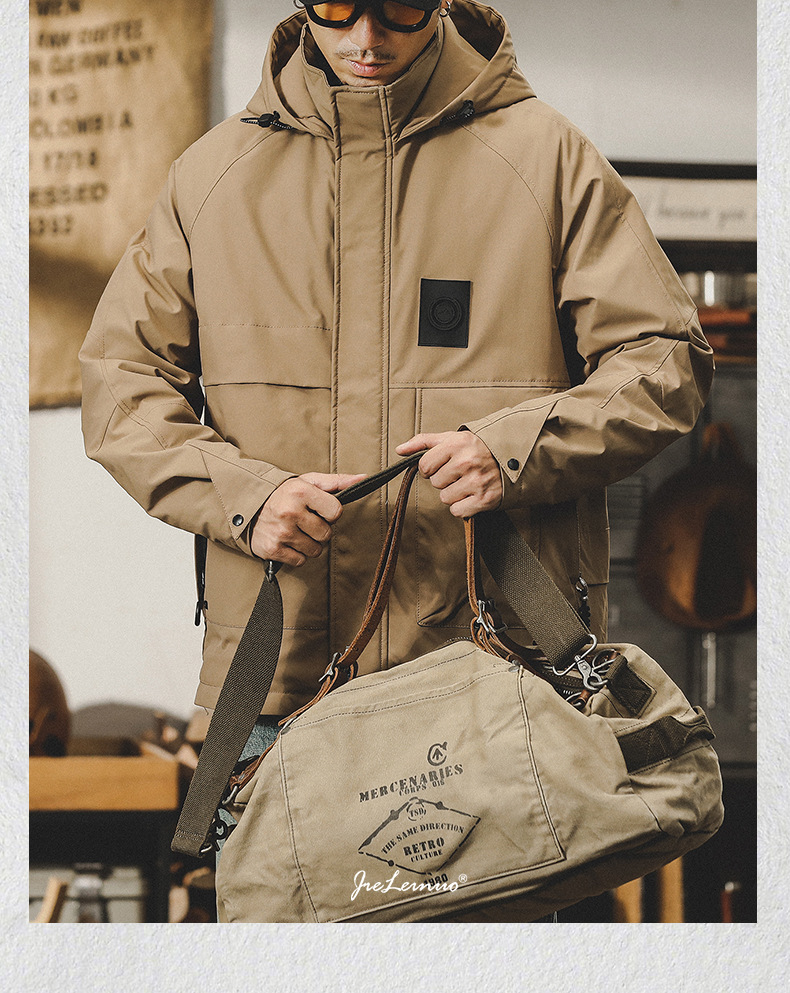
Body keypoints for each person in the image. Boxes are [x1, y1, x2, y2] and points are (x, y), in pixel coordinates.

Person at [79, 0, 714, 922]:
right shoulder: (210, 177)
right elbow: (120, 383)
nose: (367, 39)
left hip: (499, 679)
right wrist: (247, 496)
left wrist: (514, 450)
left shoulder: (546, 157)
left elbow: (665, 358)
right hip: (284, 685)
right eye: (338, 8)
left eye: (400, 7)